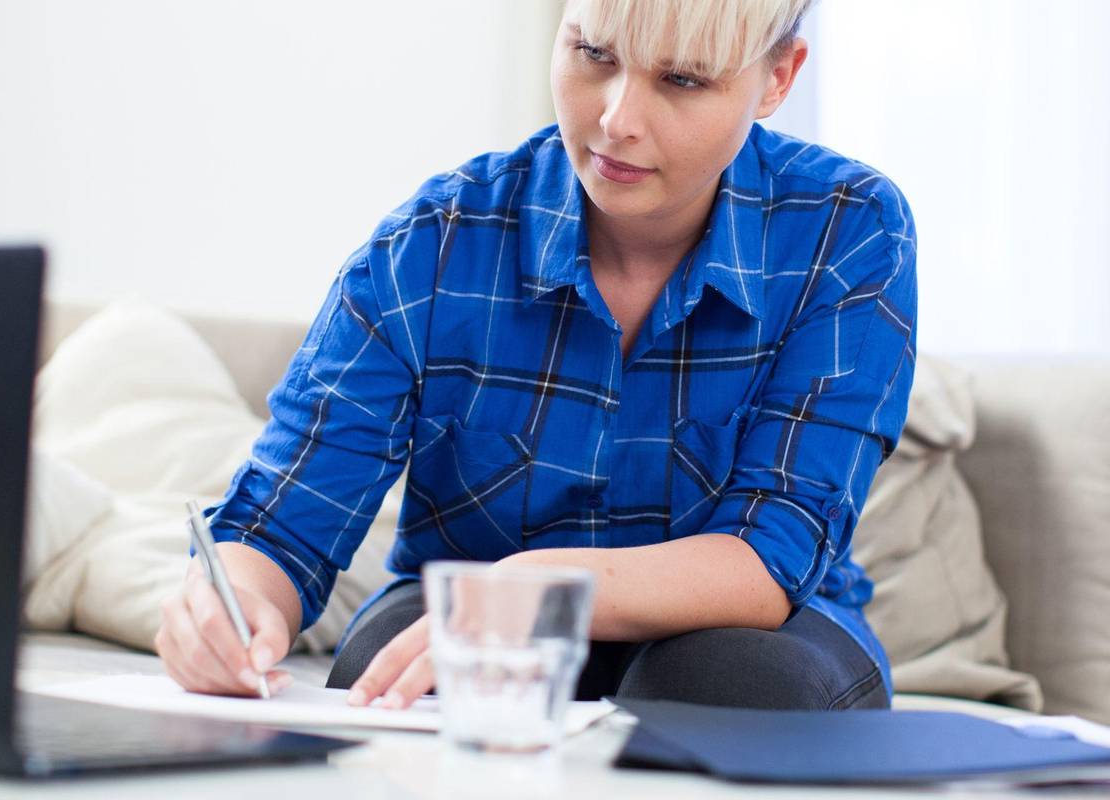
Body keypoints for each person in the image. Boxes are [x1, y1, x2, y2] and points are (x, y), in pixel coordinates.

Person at [155, 0, 915, 713]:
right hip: (480, 605)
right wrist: (235, 605)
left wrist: (541, 585)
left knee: (728, 684)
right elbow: (284, 526)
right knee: (402, 671)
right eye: (593, 53)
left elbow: (774, 550)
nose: (617, 120)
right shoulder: (436, 239)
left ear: (777, 78)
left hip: (757, 637)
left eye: (681, 79)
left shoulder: (848, 231)